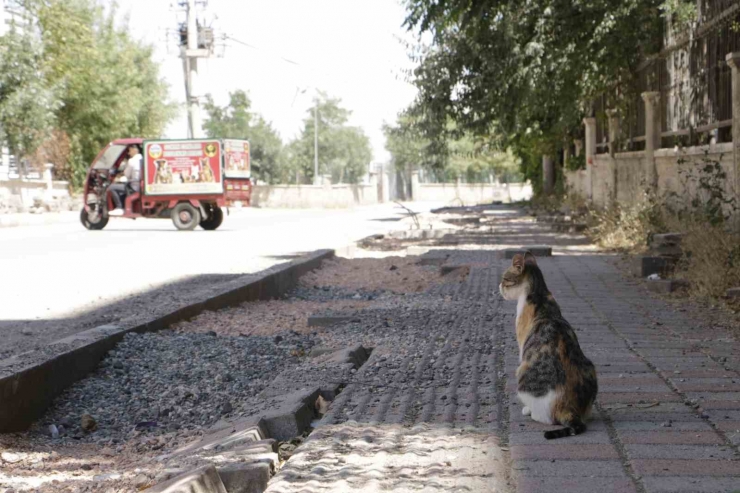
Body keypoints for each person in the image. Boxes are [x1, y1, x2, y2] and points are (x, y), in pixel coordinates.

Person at [108, 145, 142, 213]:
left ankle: (119, 207)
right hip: (140, 185)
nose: (129, 153)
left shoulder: (132, 161)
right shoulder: (142, 159)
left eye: (129, 151)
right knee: (121, 186)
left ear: (134, 150)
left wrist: (120, 176)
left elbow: (126, 174)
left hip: (134, 187)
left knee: (111, 187)